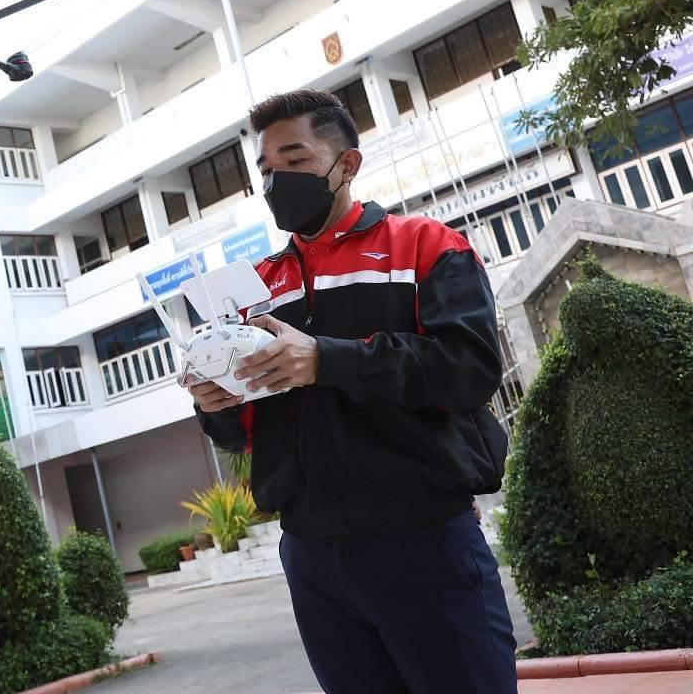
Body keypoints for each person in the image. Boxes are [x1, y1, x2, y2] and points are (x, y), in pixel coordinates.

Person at [189, 89, 516, 694]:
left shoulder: (426, 245)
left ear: (348, 164)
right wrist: (219, 408)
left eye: (296, 160)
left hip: (423, 541)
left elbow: (468, 369)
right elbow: (245, 429)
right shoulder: (257, 288)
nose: (278, 180)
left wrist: (327, 359)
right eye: (266, 170)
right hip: (312, 555)